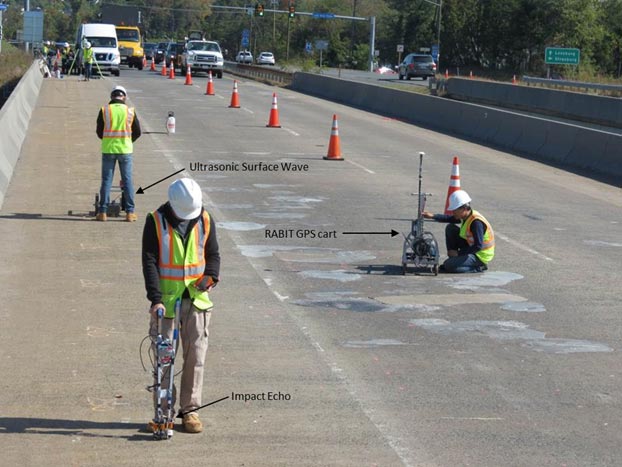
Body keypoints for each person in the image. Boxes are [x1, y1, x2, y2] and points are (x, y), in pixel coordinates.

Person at [142, 178, 221, 434]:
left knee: (196, 357)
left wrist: (211, 276)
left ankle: (190, 411)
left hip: (197, 302)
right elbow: (149, 261)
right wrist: (155, 299)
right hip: (166, 303)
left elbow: (213, 255)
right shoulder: (155, 221)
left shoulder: (205, 219)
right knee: (164, 362)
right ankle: (163, 411)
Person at [95, 85, 141, 222]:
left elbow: (99, 131)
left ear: (112, 97)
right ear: (124, 97)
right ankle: (129, 213)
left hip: (108, 149)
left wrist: (109, 140)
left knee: (106, 181)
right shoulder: (130, 111)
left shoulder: (105, 110)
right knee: (127, 181)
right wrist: (127, 140)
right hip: (125, 150)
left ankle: (102, 212)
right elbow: (137, 132)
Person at [423, 190, 495, 273]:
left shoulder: (476, 223)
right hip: (471, 247)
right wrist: (433, 216)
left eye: (454, 210)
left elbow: (478, 246)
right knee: (450, 228)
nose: (453, 212)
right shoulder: (466, 215)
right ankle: (455, 260)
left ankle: (479, 267)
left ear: (464, 208)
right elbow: (450, 218)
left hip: (480, 255)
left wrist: (458, 253)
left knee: (448, 265)